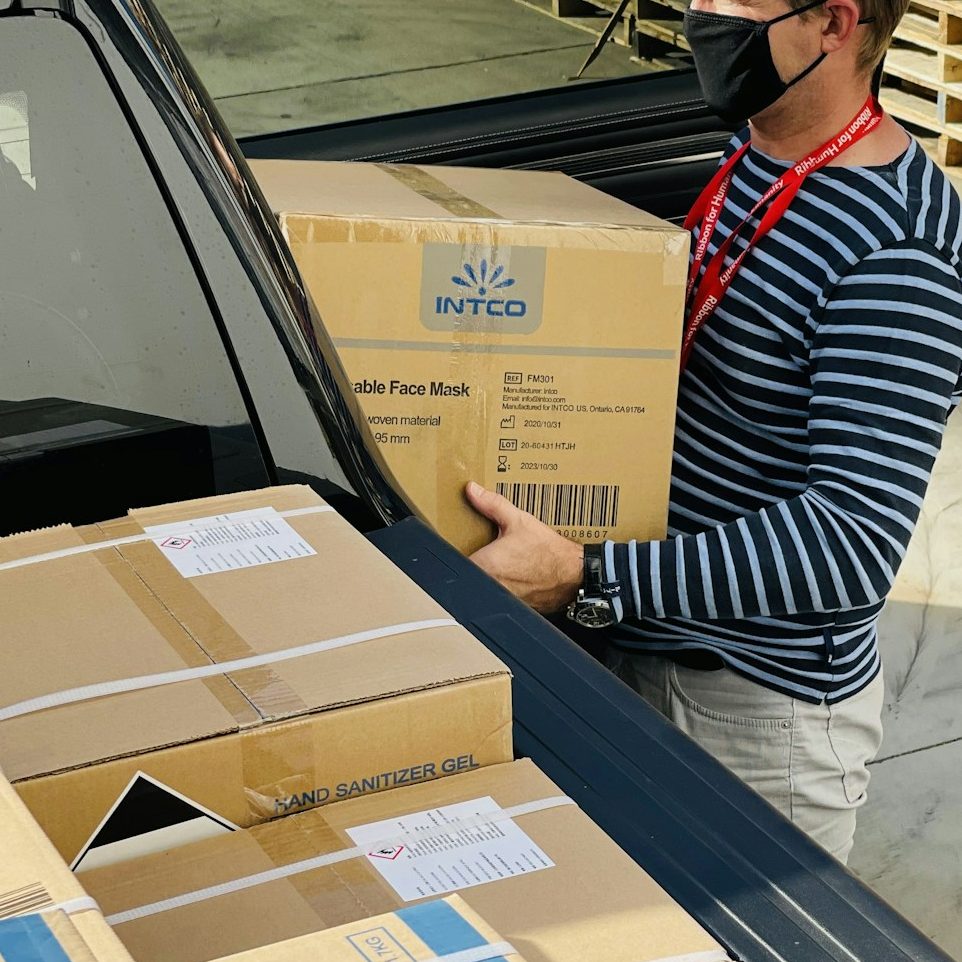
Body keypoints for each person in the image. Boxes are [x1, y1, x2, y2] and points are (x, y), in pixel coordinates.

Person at [464, 0, 962, 864]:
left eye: (734, 1)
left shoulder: (896, 254)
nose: (702, 16)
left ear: (834, 24)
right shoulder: (756, 153)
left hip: (747, 715)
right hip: (643, 648)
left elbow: (851, 541)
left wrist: (590, 573)